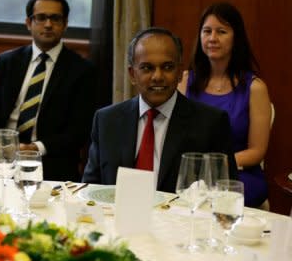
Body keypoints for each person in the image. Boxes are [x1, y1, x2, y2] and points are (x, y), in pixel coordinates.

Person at [82, 27, 238, 192]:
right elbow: (90, 189)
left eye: (167, 67)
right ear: (132, 74)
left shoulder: (211, 123)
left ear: (179, 72)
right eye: (147, 68)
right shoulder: (107, 121)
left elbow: (226, 193)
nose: (157, 76)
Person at [0, 0, 97, 182]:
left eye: (55, 18)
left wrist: (35, 148)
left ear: (65, 24)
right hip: (2, 154)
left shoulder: (81, 70)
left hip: (48, 158)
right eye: (41, 18)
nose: (48, 24)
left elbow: (78, 131)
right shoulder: (8, 61)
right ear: (29, 23)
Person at [178, 2, 271, 207]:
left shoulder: (255, 88)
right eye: (207, 31)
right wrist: (199, 169)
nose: (212, 38)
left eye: (221, 31)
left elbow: (257, 151)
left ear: (236, 37)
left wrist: (215, 167)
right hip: (193, 173)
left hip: (237, 173)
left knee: (225, 199)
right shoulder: (185, 82)